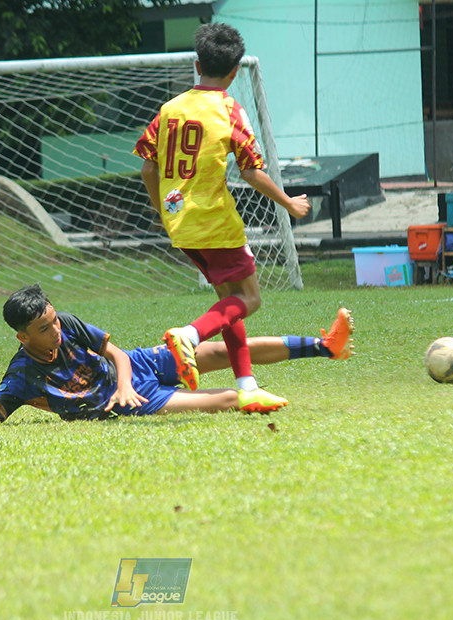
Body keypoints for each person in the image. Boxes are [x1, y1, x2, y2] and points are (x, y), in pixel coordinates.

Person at [134, 22, 321, 415]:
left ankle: (247, 386)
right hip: (216, 223)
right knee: (248, 299)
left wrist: (160, 209)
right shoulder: (228, 110)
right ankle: (189, 335)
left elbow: (148, 170)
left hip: (180, 225)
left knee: (228, 302)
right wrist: (288, 203)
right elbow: (252, 172)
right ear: (235, 72)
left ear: (197, 64)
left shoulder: (170, 109)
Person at [0, 284, 353, 432]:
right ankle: (248, 398)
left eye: (54, 321)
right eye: (44, 330)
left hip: (135, 370)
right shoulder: (23, 374)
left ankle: (325, 347)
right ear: (22, 337)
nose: (55, 331)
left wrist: (124, 381)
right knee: (221, 401)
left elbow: (115, 352)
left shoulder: (66, 323)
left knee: (218, 351)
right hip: (125, 405)